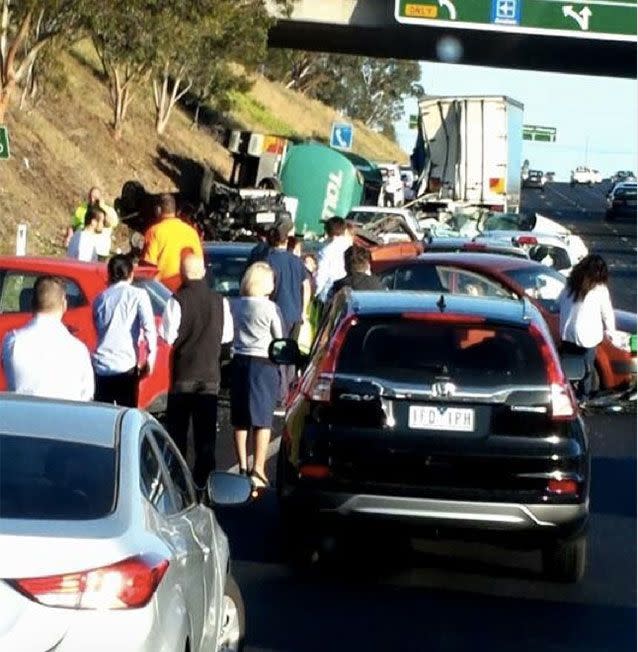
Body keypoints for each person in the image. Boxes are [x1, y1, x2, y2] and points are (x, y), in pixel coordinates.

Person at [159, 254, 233, 487]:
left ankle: (177, 480)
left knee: (177, 434)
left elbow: (168, 335)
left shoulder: (177, 300)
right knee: (206, 438)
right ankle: (205, 482)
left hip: (183, 375)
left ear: (182, 273)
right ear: (203, 272)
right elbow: (227, 337)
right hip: (210, 377)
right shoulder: (220, 300)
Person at [231, 262, 283, 487]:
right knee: (262, 419)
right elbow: (279, 337)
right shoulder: (270, 308)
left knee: (240, 419)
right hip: (264, 363)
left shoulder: (235, 304)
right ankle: (258, 469)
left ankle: (241, 465)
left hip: (239, 360)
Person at [1, 276, 94, 401]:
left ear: (32, 303)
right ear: (64, 304)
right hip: (65, 417)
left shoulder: (12, 342)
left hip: (21, 417)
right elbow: (87, 396)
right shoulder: (79, 350)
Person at [92, 254, 157, 407]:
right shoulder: (138, 295)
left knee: (103, 418)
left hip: (101, 366)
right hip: (125, 365)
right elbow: (149, 328)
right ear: (131, 273)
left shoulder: (100, 298)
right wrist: (150, 359)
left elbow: (98, 328)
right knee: (126, 417)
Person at [558, 254, 616, 401]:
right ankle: (584, 398)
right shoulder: (600, 289)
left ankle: (567, 396)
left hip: (568, 334)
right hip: (588, 337)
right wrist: (611, 333)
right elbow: (607, 314)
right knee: (587, 370)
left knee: (568, 368)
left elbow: (558, 304)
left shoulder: (570, 286)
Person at [266, 221, 311, 397]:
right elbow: (306, 285)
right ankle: (290, 391)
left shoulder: (269, 261)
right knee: (291, 355)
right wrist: (303, 310)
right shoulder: (296, 261)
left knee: (277, 354)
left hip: (277, 313)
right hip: (295, 313)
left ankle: (279, 392)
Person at [142, 194, 203, 292]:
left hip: (164, 292)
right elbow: (199, 262)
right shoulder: (191, 231)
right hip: (190, 289)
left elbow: (148, 269)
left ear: (158, 210)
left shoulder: (154, 232)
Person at [66, 186, 119, 260]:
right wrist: (70, 234)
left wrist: (102, 206)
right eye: (90, 196)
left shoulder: (107, 210)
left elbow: (114, 222)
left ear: (100, 198)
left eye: (95, 197)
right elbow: (73, 225)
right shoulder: (82, 208)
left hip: (100, 251)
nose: (92, 199)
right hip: (82, 245)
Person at [315, 217, 351, 303]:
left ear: (327, 231)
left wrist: (314, 293)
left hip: (329, 293)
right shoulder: (350, 247)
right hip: (349, 291)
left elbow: (321, 276)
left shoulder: (326, 251)